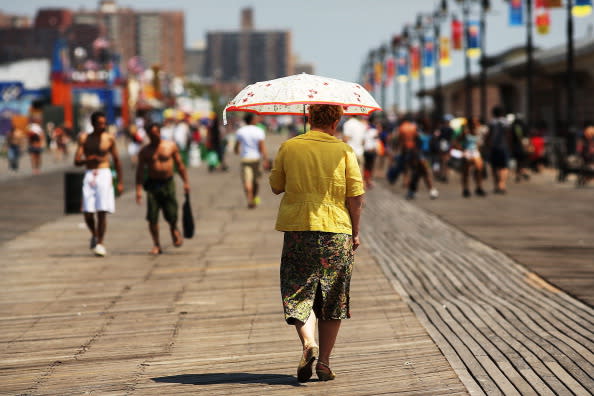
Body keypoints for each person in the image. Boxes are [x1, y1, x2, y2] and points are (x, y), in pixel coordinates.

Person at [269, 104, 364, 383]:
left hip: (299, 229)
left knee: (298, 289)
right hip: (336, 230)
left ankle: (308, 342)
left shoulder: (289, 147)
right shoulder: (344, 150)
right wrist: (355, 232)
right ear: (337, 120)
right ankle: (324, 362)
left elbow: (276, 186)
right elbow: (355, 196)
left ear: (308, 118)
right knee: (333, 298)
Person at [74, 111, 124, 256]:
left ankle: (100, 243)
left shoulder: (109, 138)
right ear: (93, 124)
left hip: (104, 172)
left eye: (104, 123)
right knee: (87, 211)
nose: (103, 126)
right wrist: (88, 160)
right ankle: (94, 234)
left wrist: (120, 181)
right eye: (100, 124)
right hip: (90, 173)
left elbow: (117, 160)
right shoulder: (84, 138)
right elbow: (76, 161)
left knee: (102, 210)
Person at [136, 123, 189, 255]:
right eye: (152, 134)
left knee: (172, 212)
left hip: (168, 183)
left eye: (157, 133)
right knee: (152, 216)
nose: (155, 136)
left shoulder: (169, 146)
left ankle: (173, 228)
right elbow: (140, 171)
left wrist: (186, 182)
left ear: (160, 132)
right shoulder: (145, 151)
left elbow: (180, 165)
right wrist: (138, 190)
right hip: (153, 185)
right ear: (148, 135)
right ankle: (156, 244)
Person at [234, 113, 269, 208]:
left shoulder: (240, 131)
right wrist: (265, 159)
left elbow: (236, 146)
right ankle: (253, 197)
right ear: (252, 120)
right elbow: (262, 147)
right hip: (256, 159)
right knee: (256, 181)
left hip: (245, 159)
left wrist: (237, 151)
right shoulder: (259, 131)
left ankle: (249, 198)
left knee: (247, 180)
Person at [456, 118, 487, 197]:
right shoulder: (465, 132)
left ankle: (479, 187)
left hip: (475, 152)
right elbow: (457, 141)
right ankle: (465, 188)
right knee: (466, 172)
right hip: (467, 152)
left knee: (479, 170)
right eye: (474, 123)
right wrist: (462, 150)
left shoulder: (478, 132)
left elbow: (479, 143)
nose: (475, 124)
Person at [485, 106, 512, 194]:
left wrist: (487, 146)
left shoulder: (492, 122)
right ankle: (502, 184)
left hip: (494, 147)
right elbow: (509, 135)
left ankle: (496, 185)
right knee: (504, 167)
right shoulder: (506, 122)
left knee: (494, 167)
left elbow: (488, 136)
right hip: (504, 147)